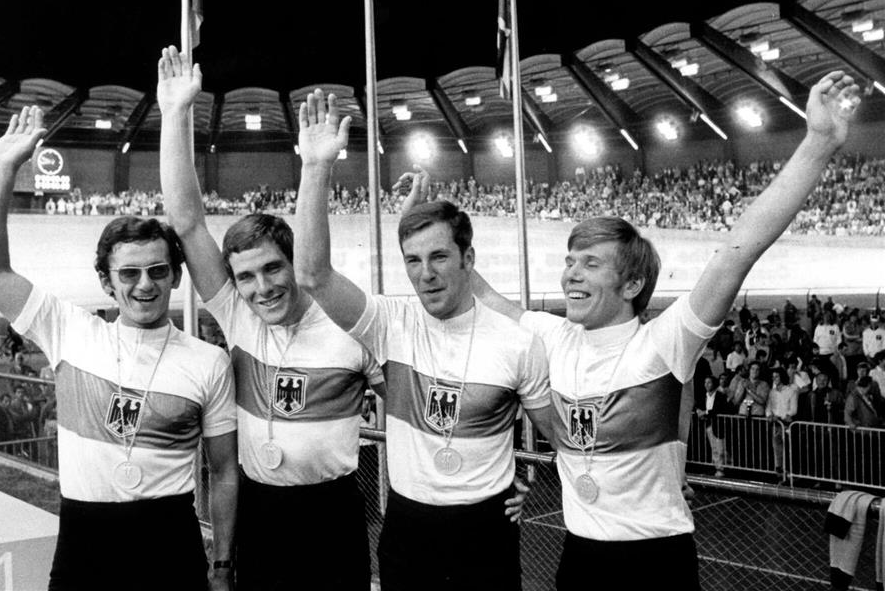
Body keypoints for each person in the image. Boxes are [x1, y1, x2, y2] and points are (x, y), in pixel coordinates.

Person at [466, 71, 860, 588]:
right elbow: (487, 298)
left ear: (632, 285)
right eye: (569, 261)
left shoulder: (662, 343)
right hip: (578, 558)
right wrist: (441, 238)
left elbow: (737, 251)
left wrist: (818, 142)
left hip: (654, 563)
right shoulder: (552, 334)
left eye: (590, 263)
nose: (571, 274)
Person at [0, 105, 238, 591]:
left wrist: (221, 566)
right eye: (128, 274)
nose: (145, 286)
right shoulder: (69, 330)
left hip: (170, 541)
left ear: (176, 275)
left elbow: (223, 472)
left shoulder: (208, 361)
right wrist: (2, 170)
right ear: (107, 284)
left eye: (158, 271)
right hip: (84, 542)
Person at [293, 88, 553, 591]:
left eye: (438, 257)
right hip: (409, 529)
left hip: (487, 531)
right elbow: (312, 275)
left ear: (468, 259)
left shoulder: (517, 342)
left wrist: (532, 475)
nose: (425, 274)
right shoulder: (391, 324)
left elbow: (562, 436)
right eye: (413, 261)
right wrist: (315, 168)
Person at [157, 48, 383, 591]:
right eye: (248, 277)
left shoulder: (350, 326)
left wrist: (316, 168)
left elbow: (415, 411)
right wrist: (174, 114)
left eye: (272, 269)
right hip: (261, 514)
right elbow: (187, 223)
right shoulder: (238, 316)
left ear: (291, 260)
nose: (262, 289)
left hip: (332, 515)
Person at [764, 366, 797, 482]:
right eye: (773, 377)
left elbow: (793, 409)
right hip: (775, 425)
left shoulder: (791, 390)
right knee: (777, 449)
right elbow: (768, 407)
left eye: (776, 376)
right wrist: (769, 416)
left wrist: (781, 417)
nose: (774, 378)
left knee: (788, 450)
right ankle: (779, 473)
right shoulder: (772, 392)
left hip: (786, 425)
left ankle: (789, 474)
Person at [696, 376, 729, 477]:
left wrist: (705, 412)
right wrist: (698, 411)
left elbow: (718, 409)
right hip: (708, 424)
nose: (706, 385)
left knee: (720, 448)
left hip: (718, 425)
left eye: (709, 382)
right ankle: (717, 467)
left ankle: (723, 468)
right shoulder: (703, 396)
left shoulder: (720, 396)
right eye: (705, 382)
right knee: (713, 447)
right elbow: (699, 406)